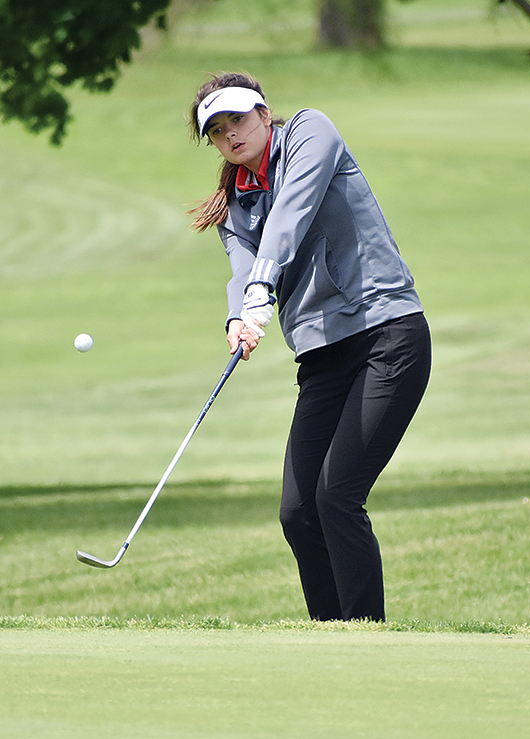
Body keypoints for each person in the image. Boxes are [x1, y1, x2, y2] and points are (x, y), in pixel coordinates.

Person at [188, 72, 431, 622]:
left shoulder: (310, 133)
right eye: (217, 131)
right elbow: (242, 268)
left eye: (238, 119)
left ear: (264, 113)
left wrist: (261, 286)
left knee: (337, 496)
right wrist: (239, 316)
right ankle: (330, 638)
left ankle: (364, 634)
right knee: (298, 513)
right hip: (322, 358)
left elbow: (291, 214)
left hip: (386, 336)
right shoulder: (235, 206)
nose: (231, 134)